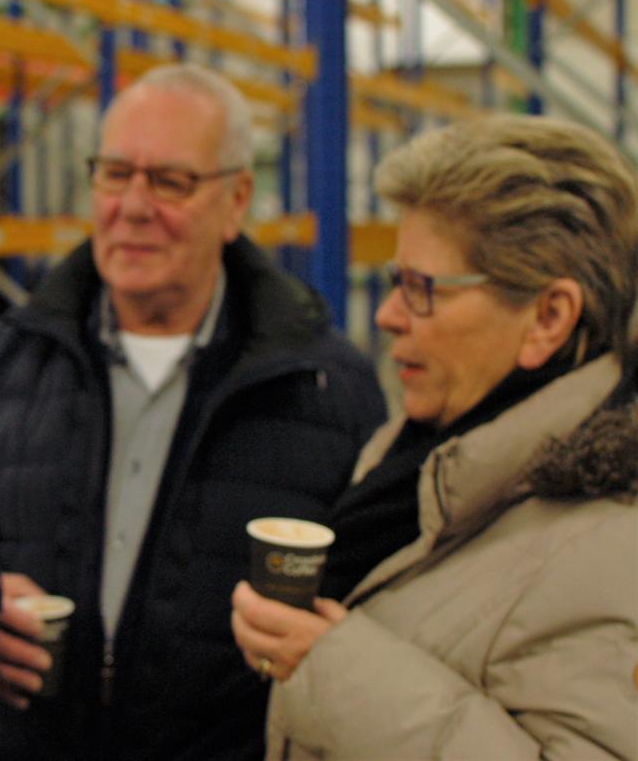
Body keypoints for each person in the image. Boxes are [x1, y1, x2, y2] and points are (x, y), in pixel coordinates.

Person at [0, 63, 386, 760]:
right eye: (115, 174)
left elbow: (371, 627)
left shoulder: (326, 391)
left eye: (170, 181)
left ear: (236, 201)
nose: (133, 206)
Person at [231, 113, 638, 760]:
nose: (388, 314)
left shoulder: (609, 545)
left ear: (548, 317)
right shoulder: (425, 463)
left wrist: (336, 672)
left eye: (422, 289)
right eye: (396, 283)